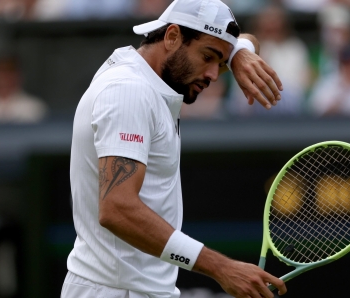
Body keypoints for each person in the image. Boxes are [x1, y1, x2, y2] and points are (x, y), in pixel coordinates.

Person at [61, 1, 287, 298]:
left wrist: (240, 54)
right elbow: (117, 209)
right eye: (208, 57)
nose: (213, 75)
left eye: (220, 63)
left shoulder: (148, 79)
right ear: (171, 37)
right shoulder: (129, 91)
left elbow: (246, 40)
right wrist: (221, 267)